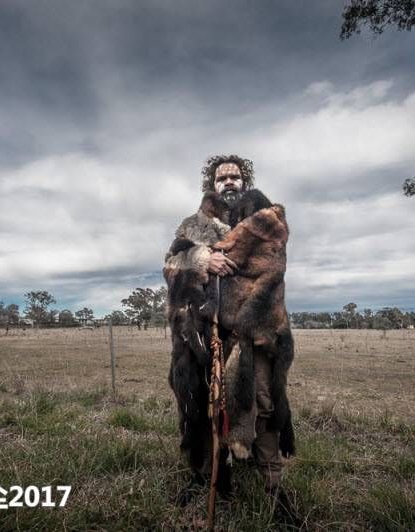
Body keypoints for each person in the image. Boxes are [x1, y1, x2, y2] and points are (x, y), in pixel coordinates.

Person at [163, 154, 299, 524]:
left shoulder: (265, 217)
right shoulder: (195, 225)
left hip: (256, 330)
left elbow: (270, 263)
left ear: (244, 180)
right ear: (212, 182)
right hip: (206, 334)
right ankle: (208, 476)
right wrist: (203, 258)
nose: (228, 181)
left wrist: (222, 254)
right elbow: (171, 264)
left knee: (264, 405)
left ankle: (273, 489)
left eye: (235, 176)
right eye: (221, 177)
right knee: (202, 406)